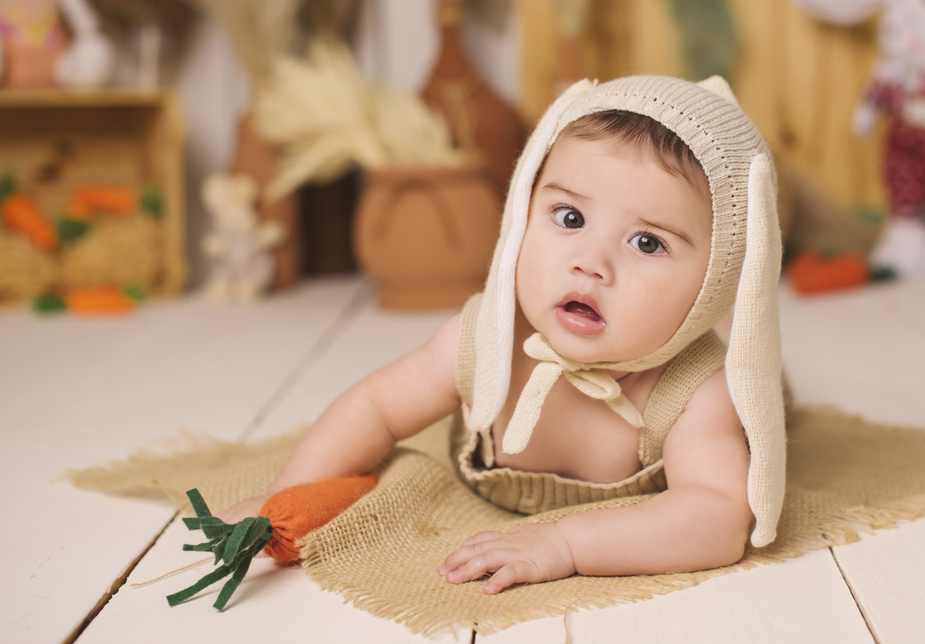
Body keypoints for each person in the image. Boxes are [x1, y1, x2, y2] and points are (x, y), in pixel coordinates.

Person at [222, 75, 787, 594]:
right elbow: (375, 409)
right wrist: (283, 500)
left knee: (758, 393)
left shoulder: (695, 389)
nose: (590, 263)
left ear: (716, 278)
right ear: (522, 208)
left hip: (708, 356)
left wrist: (565, 543)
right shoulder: (485, 338)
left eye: (647, 243)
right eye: (569, 218)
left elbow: (717, 516)